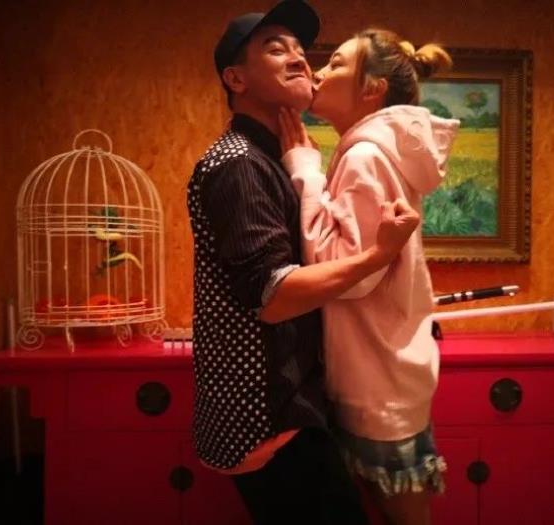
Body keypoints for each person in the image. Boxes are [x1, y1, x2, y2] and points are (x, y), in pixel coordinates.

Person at [186, 3, 421, 524]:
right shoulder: (238, 164)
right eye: (276, 49)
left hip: (288, 404)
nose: (300, 59)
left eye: (300, 50)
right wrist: (379, 256)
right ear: (235, 79)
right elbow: (275, 297)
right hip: (268, 416)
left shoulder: (274, 158)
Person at [278, 27, 460, 525]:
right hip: (385, 374)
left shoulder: (364, 156)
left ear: (372, 89)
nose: (318, 72)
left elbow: (346, 271)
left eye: (337, 64)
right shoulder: (374, 152)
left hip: (377, 384)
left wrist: (305, 172)